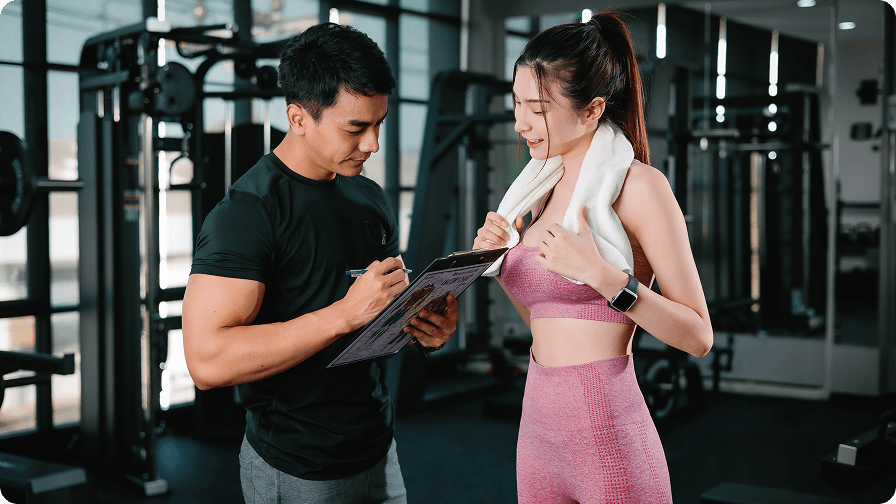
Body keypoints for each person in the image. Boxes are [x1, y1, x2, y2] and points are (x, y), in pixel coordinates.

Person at [181, 22, 458, 504]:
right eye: (355, 128)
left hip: (377, 448)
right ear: (298, 117)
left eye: (380, 124)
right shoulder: (248, 213)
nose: (372, 144)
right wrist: (343, 314)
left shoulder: (369, 198)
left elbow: (373, 322)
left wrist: (420, 326)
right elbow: (206, 361)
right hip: (298, 466)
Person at [473, 12, 713, 504]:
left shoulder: (640, 188)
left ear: (592, 109)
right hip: (538, 434)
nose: (520, 123)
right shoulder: (537, 193)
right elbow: (545, 317)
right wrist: (500, 266)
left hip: (608, 435)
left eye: (537, 109)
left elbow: (698, 336)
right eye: (516, 104)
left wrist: (605, 278)